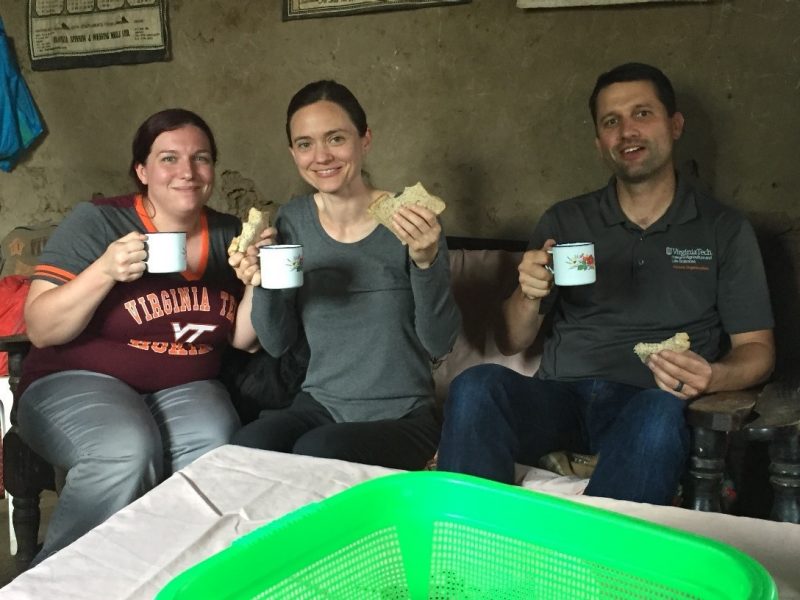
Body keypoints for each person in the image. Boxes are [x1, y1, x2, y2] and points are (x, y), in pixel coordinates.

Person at [436, 63, 775, 505]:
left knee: (658, 410)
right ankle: (467, 548)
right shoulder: (566, 220)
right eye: (611, 122)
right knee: (476, 385)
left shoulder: (722, 229)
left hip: (649, 401)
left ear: (674, 125)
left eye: (642, 114)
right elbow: (511, 339)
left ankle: (597, 567)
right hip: (561, 396)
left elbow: (758, 351)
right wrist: (527, 292)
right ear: (599, 142)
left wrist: (713, 377)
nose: (627, 132)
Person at [16, 108, 258, 564]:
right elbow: (42, 329)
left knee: (216, 441)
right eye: (169, 158)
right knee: (125, 449)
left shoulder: (230, 233)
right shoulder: (98, 223)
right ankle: (63, 584)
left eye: (200, 158)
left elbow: (245, 338)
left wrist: (258, 279)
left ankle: (172, 575)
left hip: (186, 384)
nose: (186, 172)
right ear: (142, 171)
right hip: (74, 380)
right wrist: (104, 271)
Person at [229, 80, 461, 470]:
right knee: (247, 446)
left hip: (403, 415)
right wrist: (261, 280)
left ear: (364, 140)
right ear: (293, 153)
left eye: (335, 138)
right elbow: (275, 341)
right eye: (305, 144)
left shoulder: (409, 222)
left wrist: (427, 261)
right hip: (319, 404)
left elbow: (440, 341)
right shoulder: (292, 221)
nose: (321, 156)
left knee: (317, 452)